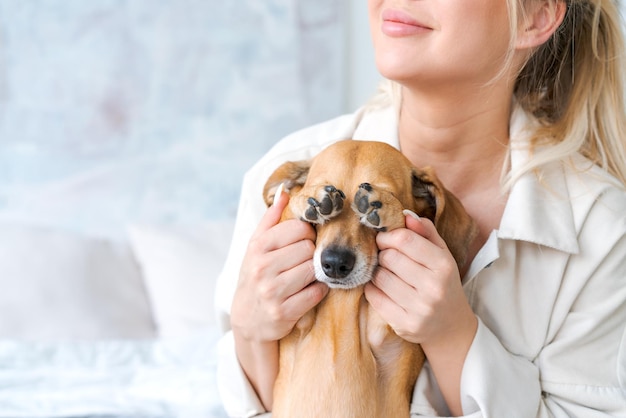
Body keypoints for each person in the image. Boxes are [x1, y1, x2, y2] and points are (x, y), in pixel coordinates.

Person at [215, 0, 626, 416]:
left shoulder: (602, 228)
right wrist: (250, 329)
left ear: (535, 17)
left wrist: (451, 334)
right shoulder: (287, 179)